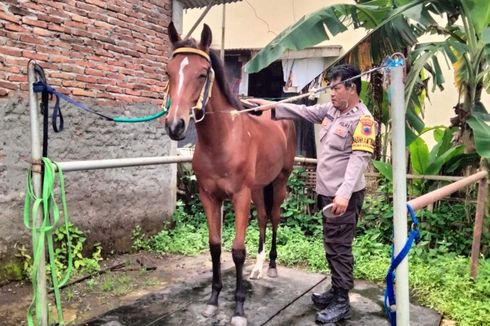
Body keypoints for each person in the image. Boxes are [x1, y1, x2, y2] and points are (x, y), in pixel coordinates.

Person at [248, 64, 376, 324]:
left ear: (352, 88)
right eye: (331, 88)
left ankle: (342, 301)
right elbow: (303, 111)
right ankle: (335, 289)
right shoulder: (331, 111)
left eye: (336, 88)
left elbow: (358, 160)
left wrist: (343, 194)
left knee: (340, 248)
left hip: (343, 196)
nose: (332, 94)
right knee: (331, 245)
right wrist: (269, 105)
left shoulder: (363, 120)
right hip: (327, 192)